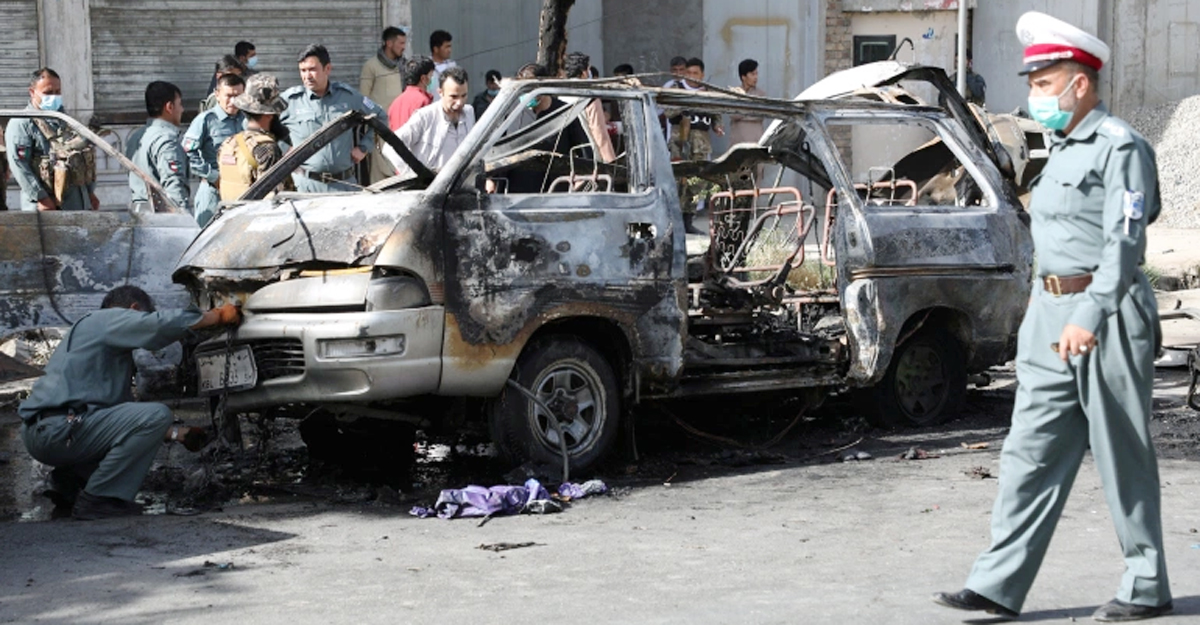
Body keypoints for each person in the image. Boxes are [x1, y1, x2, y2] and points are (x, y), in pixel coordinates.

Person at [933, 11, 1172, 622]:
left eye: (1045, 83)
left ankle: (1146, 584)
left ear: (1080, 84)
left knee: (1121, 451)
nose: (1036, 95)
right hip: (1050, 315)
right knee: (1029, 449)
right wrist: (1042, 312)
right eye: (1034, 84)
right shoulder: (1058, 152)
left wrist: (1089, 313)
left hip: (1107, 315)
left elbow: (1125, 243)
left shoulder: (1121, 147)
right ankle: (997, 583)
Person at [19, 285, 241, 520]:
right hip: (59, 430)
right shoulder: (105, 318)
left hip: (48, 431)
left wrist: (178, 434)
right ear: (133, 309)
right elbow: (157, 325)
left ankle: (70, 484)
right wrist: (217, 316)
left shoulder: (95, 342)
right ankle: (101, 499)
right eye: (142, 316)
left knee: (147, 421)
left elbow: (119, 423)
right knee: (158, 414)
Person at [278, 44, 385, 193]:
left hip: (344, 185)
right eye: (303, 70)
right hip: (305, 187)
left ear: (327, 69)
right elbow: (256, 123)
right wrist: (283, 147)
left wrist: (364, 147)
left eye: (312, 69)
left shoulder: (347, 96)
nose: (307, 76)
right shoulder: (290, 100)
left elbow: (381, 116)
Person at [5, 68, 99, 212]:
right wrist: (41, 197)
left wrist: (89, 193)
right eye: (48, 93)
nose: (54, 97)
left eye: (57, 92)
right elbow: (19, 165)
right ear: (32, 92)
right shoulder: (22, 123)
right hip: (46, 207)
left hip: (76, 205)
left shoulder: (66, 121)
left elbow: (80, 159)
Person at [383, 66, 474, 178]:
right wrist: (412, 175)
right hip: (432, 186)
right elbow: (390, 147)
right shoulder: (425, 117)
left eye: (464, 96)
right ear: (440, 92)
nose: (459, 102)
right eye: (453, 97)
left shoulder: (469, 113)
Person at [218, 73, 294, 202]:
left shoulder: (228, 143)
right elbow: (273, 200)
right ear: (269, 114)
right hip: (256, 214)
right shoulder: (266, 148)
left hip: (230, 212)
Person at [183, 73, 246, 225]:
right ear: (217, 95)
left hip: (242, 191)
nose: (233, 101)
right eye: (228, 96)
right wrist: (213, 176)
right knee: (207, 235)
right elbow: (188, 153)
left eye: (238, 96)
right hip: (213, 191)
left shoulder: (247, 119)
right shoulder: (206, 120)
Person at [125, 81, 190, 213]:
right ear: (169, 107)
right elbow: (174, 187)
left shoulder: (136, 137)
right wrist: (183, 217)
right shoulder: (167, 141)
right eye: (180, 104)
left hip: (139, 213)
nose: (182, 110)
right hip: (162, 217)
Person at [361, 26, 409, 183]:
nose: (404, 47)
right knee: (379, 175)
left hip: (401, 127)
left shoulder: (405, 67)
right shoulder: (371, 66)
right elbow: (363, 98)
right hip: (380, 129)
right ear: (389, 43)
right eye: (401, 43)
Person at [561, 52, 616, 163]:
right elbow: (600, 134)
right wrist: (612, 162)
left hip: (568, 158)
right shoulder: (589, 98)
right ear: (584, 72)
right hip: (590, 159)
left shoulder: (560, 96)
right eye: (588, 69)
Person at [388, 56, 435, 130]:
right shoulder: (423, 101)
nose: (432, 79)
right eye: (431, 75)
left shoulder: (395, 103)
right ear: (423, 78)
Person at [729, 58, 765, 145]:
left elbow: (760, 115)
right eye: (752, 74)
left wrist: (742, 110)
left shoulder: (760, 94)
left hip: (756, 139)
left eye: (756, 74)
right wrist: (751, 109)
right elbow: (734, 115)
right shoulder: (735, 93)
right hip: (738, 140)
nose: (755, 77)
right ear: (743, 77)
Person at [427, 29, 457, 99]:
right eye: (446, 47)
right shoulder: (426, 67)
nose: (449, 50)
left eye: (450, 46)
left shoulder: (452, 66)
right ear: (436, 49)